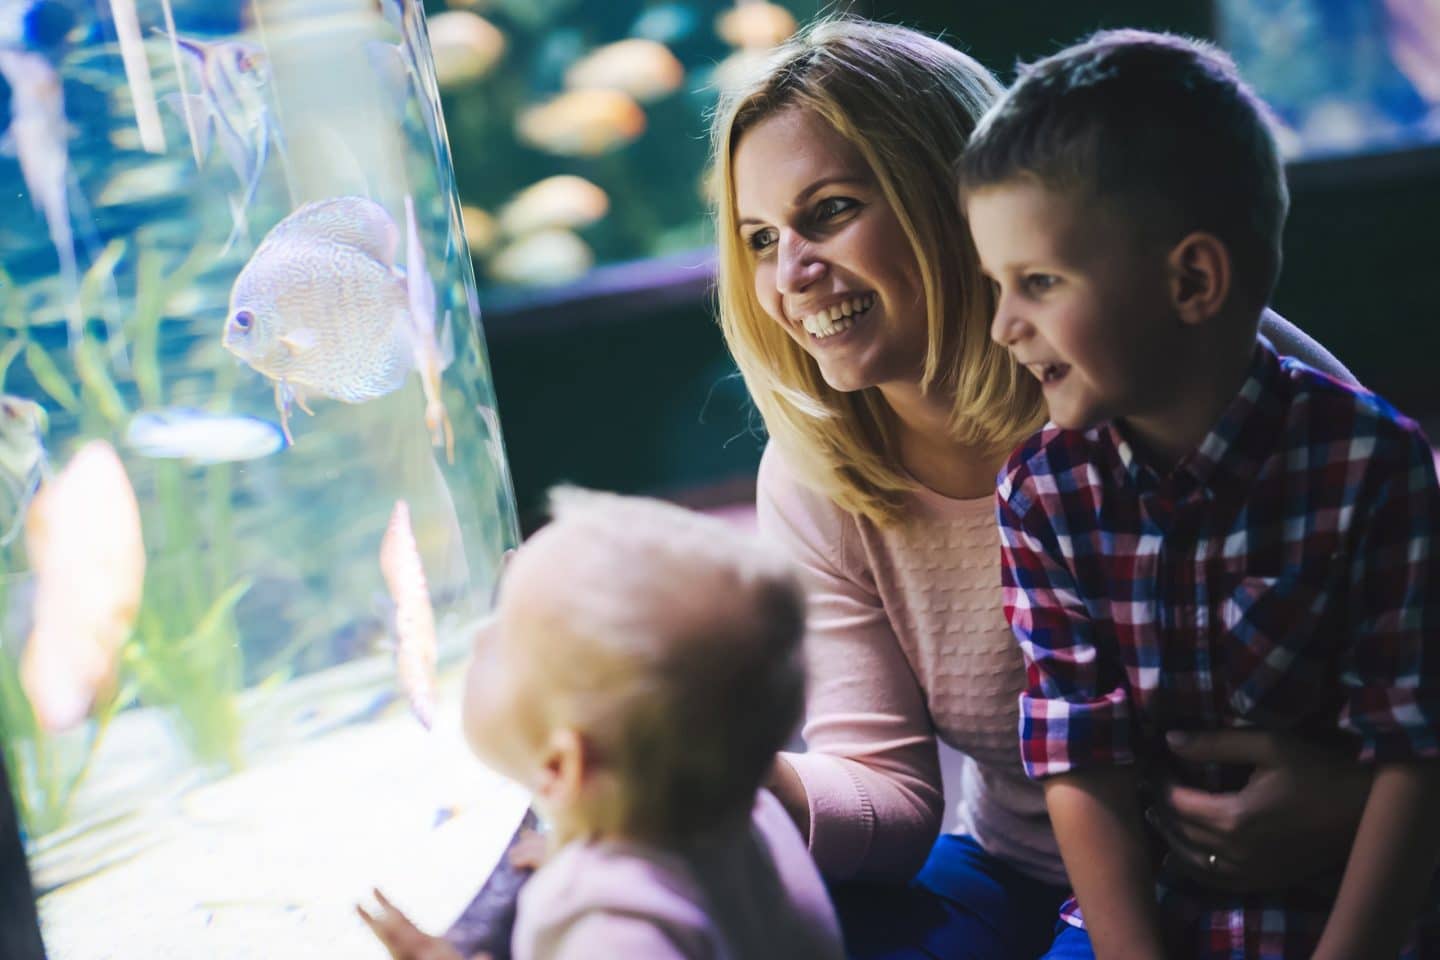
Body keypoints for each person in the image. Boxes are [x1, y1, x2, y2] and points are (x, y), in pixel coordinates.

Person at [712, 15, 1369, 959]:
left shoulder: (1190, 357)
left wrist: (1349, 795)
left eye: (830, 212)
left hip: (1254, 872)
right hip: (1017, 864)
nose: (794, 274)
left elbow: (1407, 598)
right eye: (761, 238)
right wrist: (741, 777)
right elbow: (891, 797)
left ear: (961, 194)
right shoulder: (815, 474)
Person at [962, 29, 1440, 959]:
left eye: (1040, 283)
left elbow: (1414, 752)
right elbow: (1079, 760)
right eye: (995, 284)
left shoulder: (1372, 465)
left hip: (1356, 909)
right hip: (1151, 915)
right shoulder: (1041, 492)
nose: (1004, 326)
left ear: (1192, 280)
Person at [359, 488, 845, 960]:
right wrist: (578, 844)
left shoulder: (611, 930)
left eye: (505, 636)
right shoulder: (745, 816)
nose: (482, 633)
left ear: (559, 767)